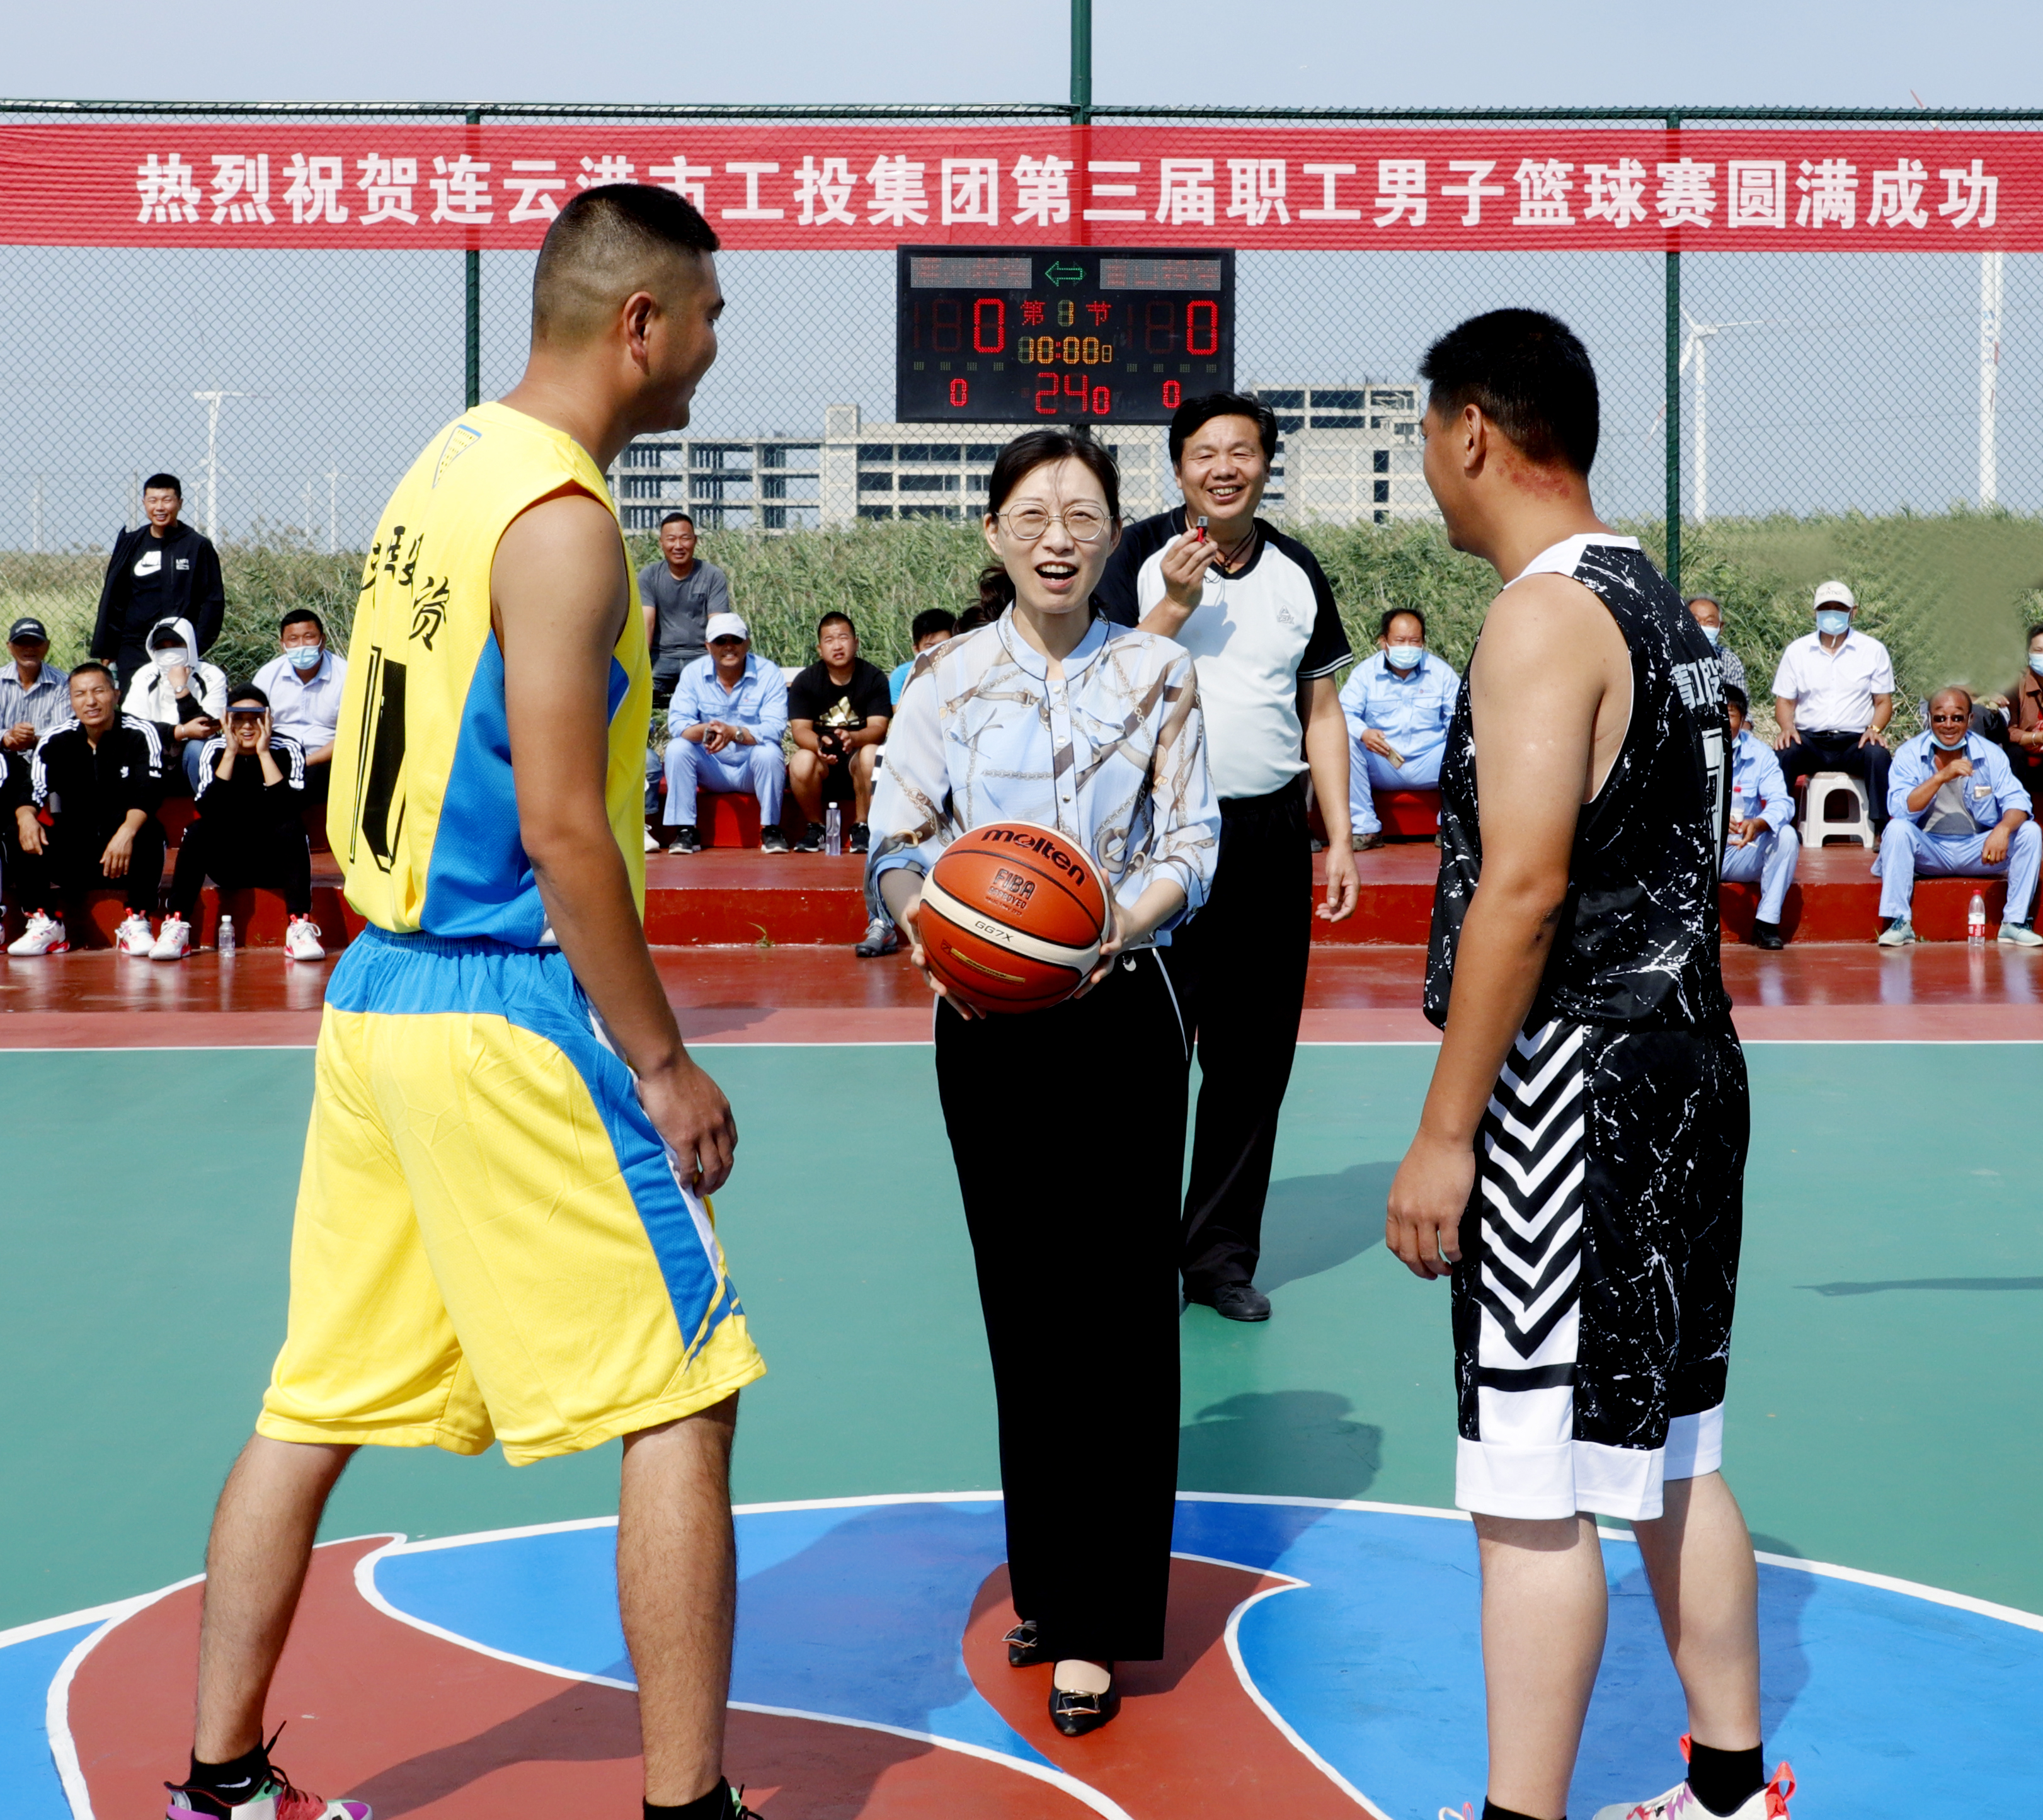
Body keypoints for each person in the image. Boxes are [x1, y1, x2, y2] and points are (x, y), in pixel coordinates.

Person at [163, 185, 765, 1820]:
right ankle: (687, 1807)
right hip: (508, 1000)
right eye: (708, 314)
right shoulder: (563, 521)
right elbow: (565, 829)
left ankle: (218, 1785)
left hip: (377, 994)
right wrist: (664, 1061)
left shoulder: (448, 463)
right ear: (639, 323)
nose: (717, 342)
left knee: (313, 1397)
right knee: (683, 1392)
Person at [1387, 311, 1790, 1820]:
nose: (1428, 468)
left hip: (1577, 1085)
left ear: (1474, 432)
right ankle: (1730, 1788)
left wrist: (1445, 1131)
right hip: (1690, 1065)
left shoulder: (1540, 616)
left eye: (1428, 437)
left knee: (1528, 1479)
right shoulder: (1665, 612)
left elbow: (1524, 886)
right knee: (1676, 1448)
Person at [869, 426, 1219, 1739]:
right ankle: (1047, 1575)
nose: (1057, 538)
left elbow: (1194, 841)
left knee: (1119, 1314)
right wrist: (926, 925)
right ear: (994, 532)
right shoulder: (945, 678)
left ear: (1113, 533)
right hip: (986, 1021)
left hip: (1123, 1013)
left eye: (1080, 515)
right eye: (1031, 515)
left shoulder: (1159, 671)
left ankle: (1093, 1620)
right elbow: (895, 838)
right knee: (1025, 1309)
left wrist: (1110, 925)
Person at [1096, 391, 1359, 1324]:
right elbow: (1104, 684)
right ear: (1177, 469)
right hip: (1156, 839)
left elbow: (1320, 712)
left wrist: (1338, 834)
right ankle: (1131, 1258)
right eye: (1203, 453)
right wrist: (1173, 605)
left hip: (1268, 838)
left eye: (1240, 452)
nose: (1223, 468)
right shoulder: (1135, 557)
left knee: (1252, 1063)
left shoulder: (1296, 571)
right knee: (1145, 1063)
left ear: (1265, 464)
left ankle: (1217, 1259)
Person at [149, 685, 324, 963]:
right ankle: (177, 923)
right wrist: (230, 753)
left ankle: (299, 925)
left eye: (255, 718)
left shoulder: (287, 748)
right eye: (239, 719)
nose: (247, 726)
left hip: (274, 864)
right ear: (227, 721)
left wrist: (264, 754)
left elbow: (288, 808)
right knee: (198, 831)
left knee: (291, 828)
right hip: (229, 863)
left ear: (268, 719)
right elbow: (207, 808)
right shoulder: (215, 750)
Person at [6, 662, 168, 958]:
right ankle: (46, 922)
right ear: (71, 700)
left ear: (116, 695)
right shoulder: (57, 740)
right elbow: (32, 789)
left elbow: (149, 792)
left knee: (150, 830)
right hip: (74, 857)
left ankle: (137, 920)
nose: (90, 701)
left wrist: (125, 834)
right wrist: (26, 816)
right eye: (80, 694)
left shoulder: (140, 733)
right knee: (20, 828)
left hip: (123, 858)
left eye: (98, 691)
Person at [1874, 686, 2040, 949]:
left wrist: (2003, 829)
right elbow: (1901, 809)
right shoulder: (1909, 753)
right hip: (1929, 850)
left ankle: (2015, 923)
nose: (1949, 725)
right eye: (1940, 718)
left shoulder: (1991, 754)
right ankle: (1899, 922)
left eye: (1957, 718)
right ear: (1929, 718)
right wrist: (1942, 776)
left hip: (1980, 850)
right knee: (1897, 830)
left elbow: (2019, 801)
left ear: (1970, 719)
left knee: (2030, 831)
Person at [661, 612, 790, 855]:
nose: (729, 647)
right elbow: (678, 724)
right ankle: (686, 830)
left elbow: (775, 728)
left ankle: (771, 829)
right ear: (708, 646)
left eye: (736, 640)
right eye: (721, 641)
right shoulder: (692, 673)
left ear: (747, 643)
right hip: (711, 766)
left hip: (750, 768)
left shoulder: (769, 673)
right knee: (677, 748)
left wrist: (734, 733)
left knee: (770, 752)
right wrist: (708, 730)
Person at [1771, 580, 1894, 832]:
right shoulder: (1797, 651)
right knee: (1785, 752)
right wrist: (1787, 728)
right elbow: (1785, 701)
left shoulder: (1873, 650)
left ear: (1853, 611)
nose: (1832, 614)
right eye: (1826, 608)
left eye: (1839, 608)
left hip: (1855, 743)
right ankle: (1778, 825)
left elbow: (1883, 702)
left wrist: (1874, 729)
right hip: (1810, 742)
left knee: (1878, 754)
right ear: (1815, 612)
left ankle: (1882, 829)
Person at [89, 472, 226, 688]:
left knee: (174, 702)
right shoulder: (131, 543)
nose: (160, 508)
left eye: (167, 500)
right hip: (133, 646)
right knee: (133, 703)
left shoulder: (197, 546)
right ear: (144, 503)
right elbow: (114, 598)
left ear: (180, 503)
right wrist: (108, 649)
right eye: (153, 501)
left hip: (176, 646)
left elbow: (212, 602)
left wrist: (194, 647)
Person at [1339, 606, 1458, 850]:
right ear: (1383, 642)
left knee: (1468, 744)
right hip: (1382, 762)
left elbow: (1457, 719)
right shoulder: (1364, 674)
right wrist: (1364, 733)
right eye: (1400, 640)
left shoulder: (1442, 673)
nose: (1408, 647)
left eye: (1414, 641)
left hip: (1430, 761)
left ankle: (1448, 826)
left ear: (1423, 642)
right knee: (1344, 743)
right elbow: (1344, 713)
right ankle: (1365, 829)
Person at [786, 611, 891, 853]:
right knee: (801, 760)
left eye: (843, 638)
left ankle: (862, 826)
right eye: (829, 640)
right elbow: (800, 730)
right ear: (820, 649)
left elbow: (878, 729)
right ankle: (816, 827)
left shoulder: (873, 678)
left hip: (857, 760)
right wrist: (819, 745)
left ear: (856, 643)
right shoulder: (806, 681)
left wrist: (854, 738)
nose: (837, 646)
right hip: (822, 762)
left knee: (871, 753)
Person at [1720, 685, 1798, 949]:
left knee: (1786, 836)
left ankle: (1766, 924)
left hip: (1741, 849)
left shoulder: (1761, 754)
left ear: (1743, 720)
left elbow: (1782, 803)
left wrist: (1758, 823)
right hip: (1700, 852)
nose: (1721, 721)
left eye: (1729, 714)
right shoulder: (1689, 751)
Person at [252, 610, 350, 805]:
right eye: (293, 639)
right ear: (282, 645)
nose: (302, 645)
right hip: (276, 756)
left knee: (309, 779)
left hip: (324, 760)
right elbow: (253, 723)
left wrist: (305, 762)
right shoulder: (267, 675)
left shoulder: (346, 675)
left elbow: (351, 733)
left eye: (309, 637)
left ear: (323, 640)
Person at [122, 615, 227, 790]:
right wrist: (181, 732)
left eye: (176, 645)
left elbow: (206, 727)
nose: (169, 652)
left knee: (198, 749)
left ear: (189, 645)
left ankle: (208, 803)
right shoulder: (144, 675)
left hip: (190, 755)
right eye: (161, 647)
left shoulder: (211, 675)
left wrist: (181, 689)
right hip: (154, 752)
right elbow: (133, 728)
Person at [641, 512, 730, 705]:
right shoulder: (648, 576)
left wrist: (719, 665)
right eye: (671, 539)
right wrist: (640, 667)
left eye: (685, 538)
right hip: (660, 658)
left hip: (701, 656)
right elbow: (647, 624)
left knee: (721, 695)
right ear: (661, 542)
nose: (678, 546)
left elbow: (718, 625)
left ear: (695, 541)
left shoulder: (712, 576)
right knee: (633, 692)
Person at [0, 616, 71, 751]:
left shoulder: (63, 683)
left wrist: (33, 740)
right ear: (10, 647)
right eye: (22, 643)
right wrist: (7, 736)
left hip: (46, 754)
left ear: (47, 645)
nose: (29, 648)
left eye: (36, 642)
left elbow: (62, 731)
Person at [2000, 623, 2043, 818]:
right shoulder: (2016, 682)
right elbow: (2008, 731)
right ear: (2028, 653)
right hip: (2024, 756)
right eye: (2039, 651)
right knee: (2014, 753)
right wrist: (2037, 738)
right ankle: (2016, 814)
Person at [890, 608, 956, 702]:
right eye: (930, 647)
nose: (938, 651)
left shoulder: (967, 672)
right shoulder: (902, 676)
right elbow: (899, 710)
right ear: (916, 649)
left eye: (945, 645)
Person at [1686, 595, 1746, 692]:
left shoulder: (1729, 661)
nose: (1701, 627)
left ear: (1721, 628)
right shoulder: (1669, 657)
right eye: (1695, 622)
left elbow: (1737, 699)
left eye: (1709, 622)